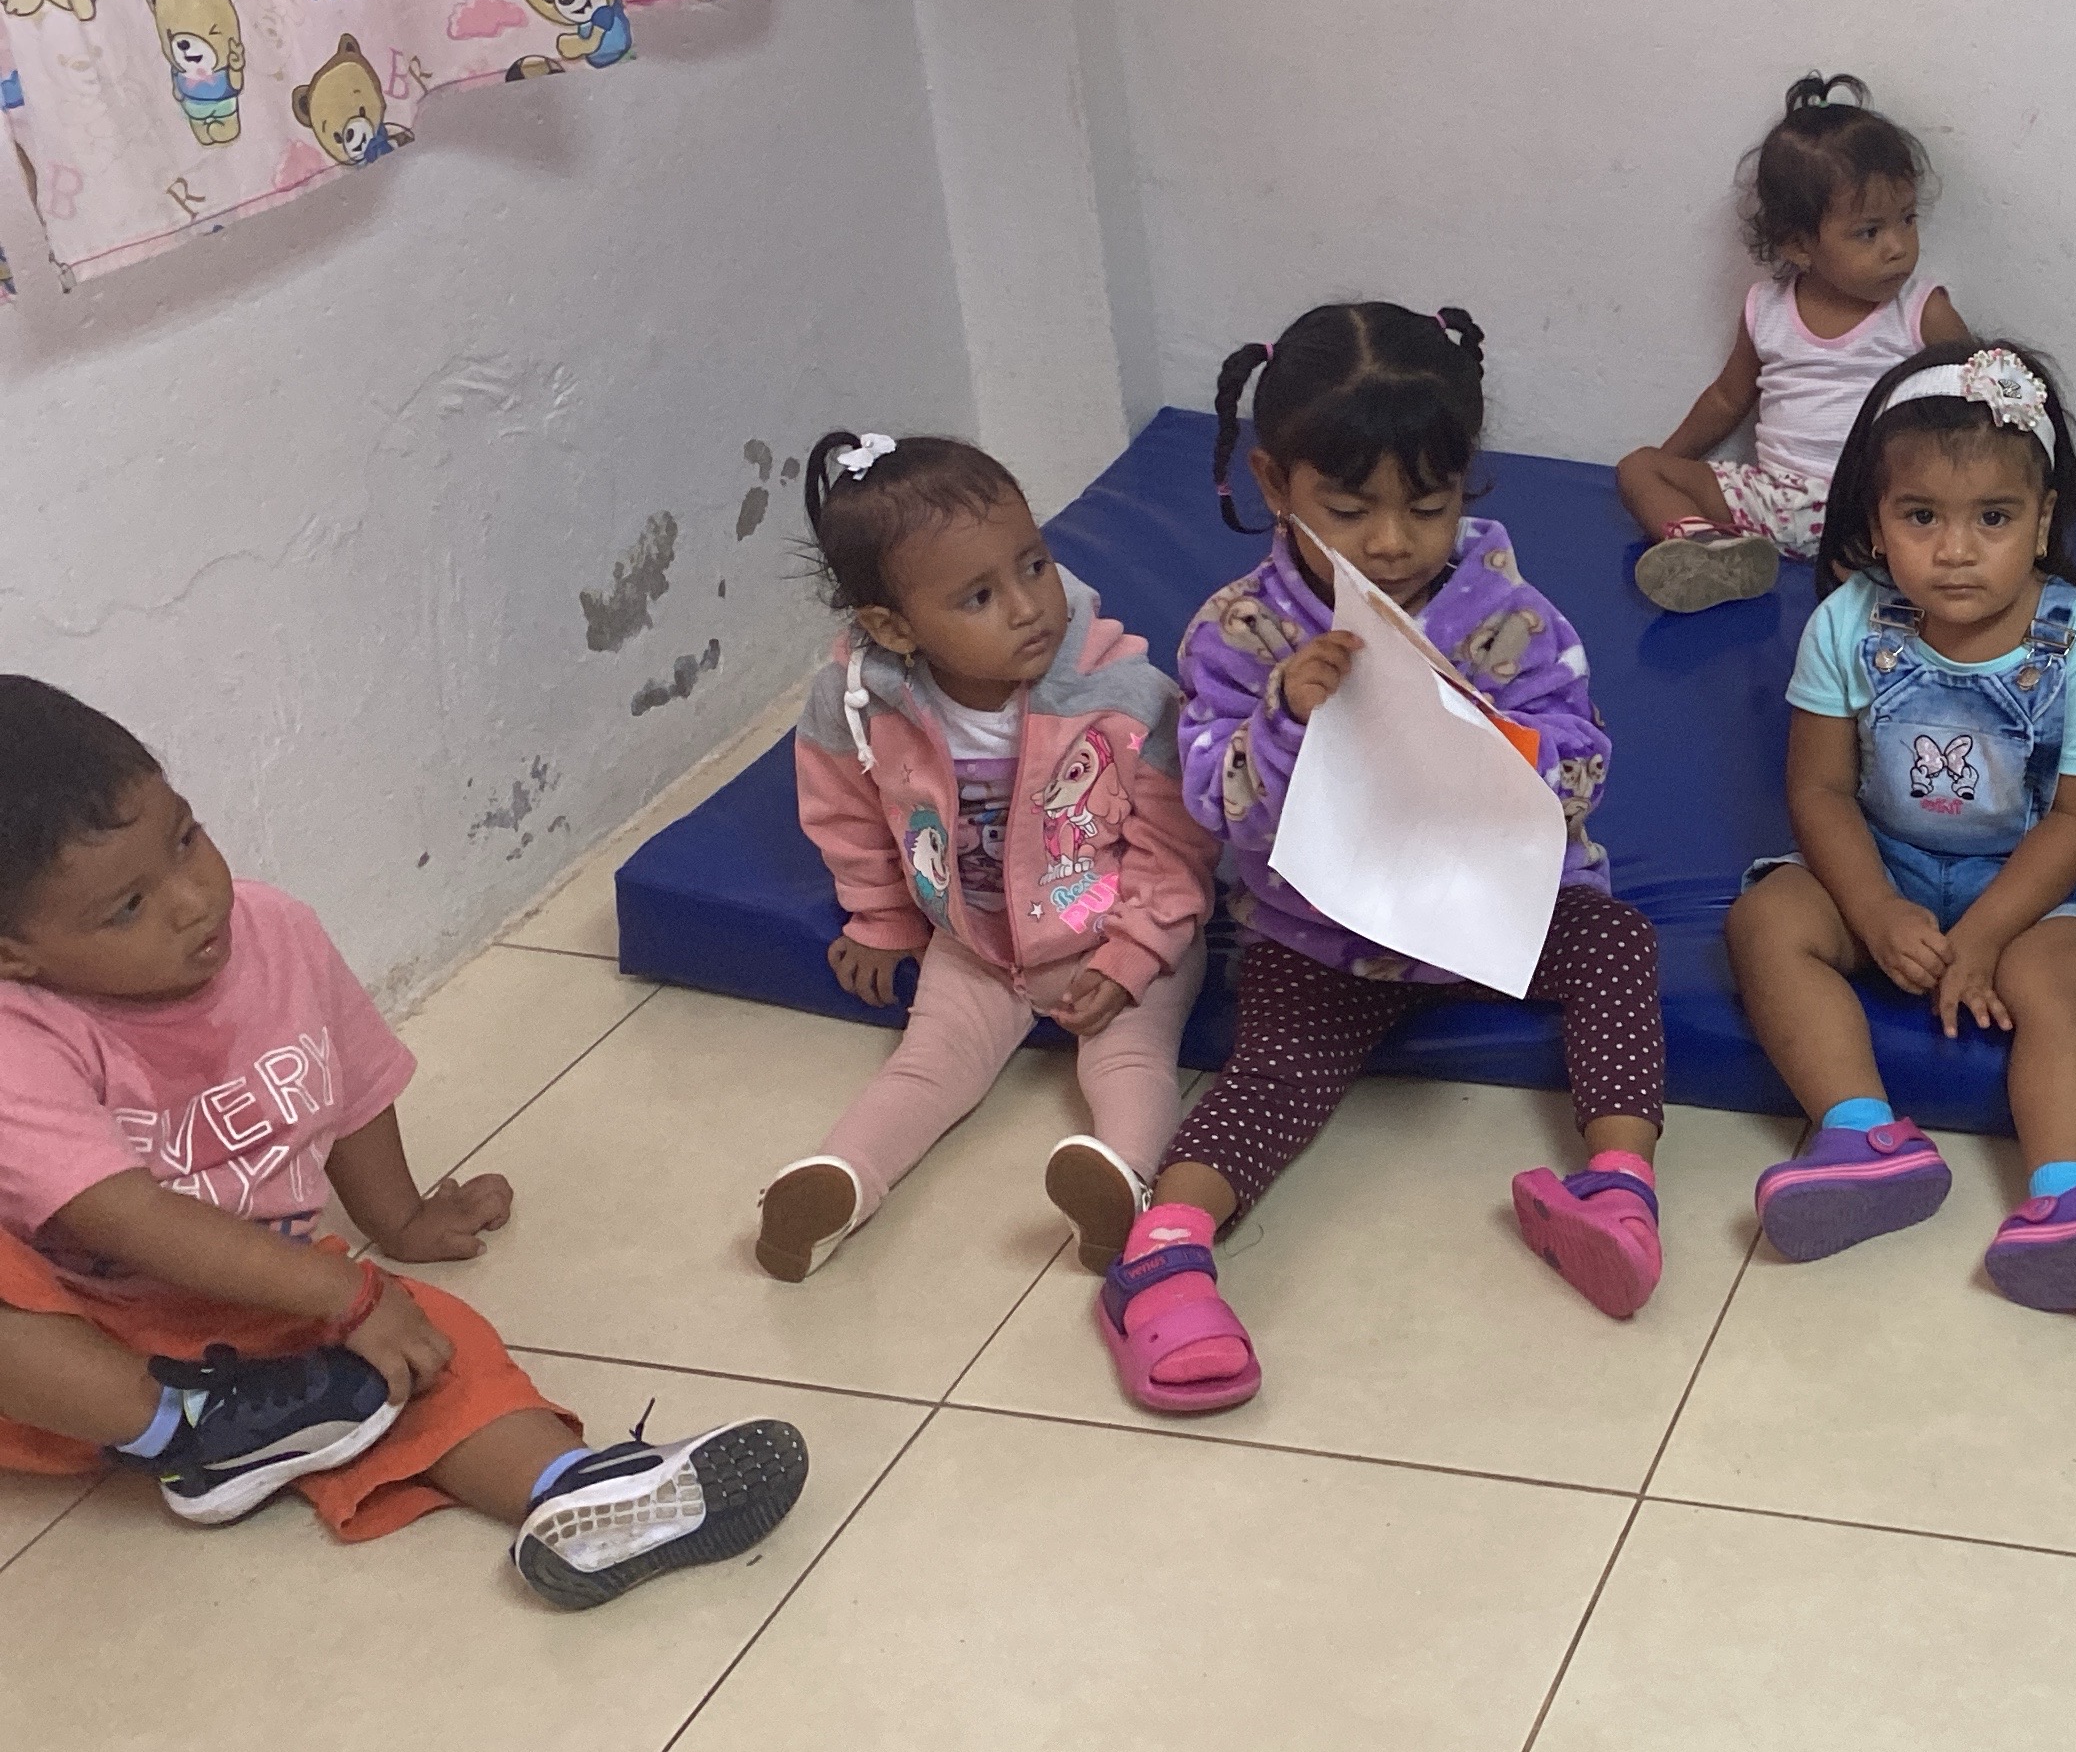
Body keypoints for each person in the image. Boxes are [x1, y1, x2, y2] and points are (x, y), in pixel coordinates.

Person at [0, 678, 806, 1605]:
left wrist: (400, 1219)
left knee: (433, 1350)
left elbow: (347, 1080)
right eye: (127, 908)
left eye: (185, 840)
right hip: (75, 1339)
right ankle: (185, 1432)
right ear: (14, 955)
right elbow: (126, 1217)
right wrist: (343, 1294)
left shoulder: (275, 931)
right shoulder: (22, 1037)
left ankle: (577, 1494)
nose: (192, 901)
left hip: (262, 1298)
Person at [1096, 305, 1669, 1414]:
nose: (1394, 543)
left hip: (1490, 913)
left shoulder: (1507, 615)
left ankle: (1618, 1186)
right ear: (1275, 483)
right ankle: (1162, 1256)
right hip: (1328, 938)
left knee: (1615, 946)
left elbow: (1583, 765)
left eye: (1430, 505)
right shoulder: (1241, 634)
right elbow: (1219, 806)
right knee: (1270, 1080)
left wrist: (1485, 740)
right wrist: (1286, 718)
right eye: (1349, 511)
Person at [1729, 341, 2076, 1313]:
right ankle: (1860, 1136)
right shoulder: (1849, 621)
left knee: (2057, 982)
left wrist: (1984, 935)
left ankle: (2068, 1199)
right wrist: (1874, 908)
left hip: (2034, 879)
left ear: (2043, 518)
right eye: (1921, 516)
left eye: (1994, 518)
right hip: (1883, 858)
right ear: (1876, 519)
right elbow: (1819, 790)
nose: (1956, 550)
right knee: (1766, 921)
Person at [757, 431, 1216, 1282]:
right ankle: (838, 1183)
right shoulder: (859, 704)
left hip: (1112, 933)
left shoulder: (1122, 696)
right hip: (975, 943)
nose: (1028, 606)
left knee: (1128, 1059)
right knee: (927, 1067)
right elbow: (845, 813)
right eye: (979, 596)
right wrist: (881, 918)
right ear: (893, 627)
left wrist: (1133, 955)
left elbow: (1175, 844)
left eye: (1033, 565)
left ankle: (1120, 1179)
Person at [1616, 73, 1967, 611]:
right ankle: (1709, 549)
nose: (1898, 246)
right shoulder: (1768, 309)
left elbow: (1979, 401)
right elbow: (1726, 399)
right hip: (1773, 500)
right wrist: (1670, 470)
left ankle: (1869, 571)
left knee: (1919, 533)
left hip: (1872, 510)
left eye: (1907, 219)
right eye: (1870, 231)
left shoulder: (1920, 311)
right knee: (1637, 468)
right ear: (1800, 246)